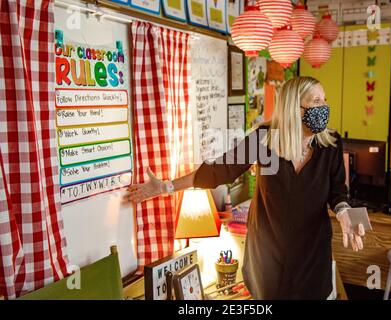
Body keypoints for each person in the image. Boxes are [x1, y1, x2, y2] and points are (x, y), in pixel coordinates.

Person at [125, 76, 365, 300]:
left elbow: (337, 192)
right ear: (295, 108)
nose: (324, 107)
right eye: (316, 101)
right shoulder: (264, 139)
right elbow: (219, 170)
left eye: (324, 100)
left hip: (312, 256)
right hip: (268, 258)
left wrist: (344, 212)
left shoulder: (330, 144)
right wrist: (166, 187)